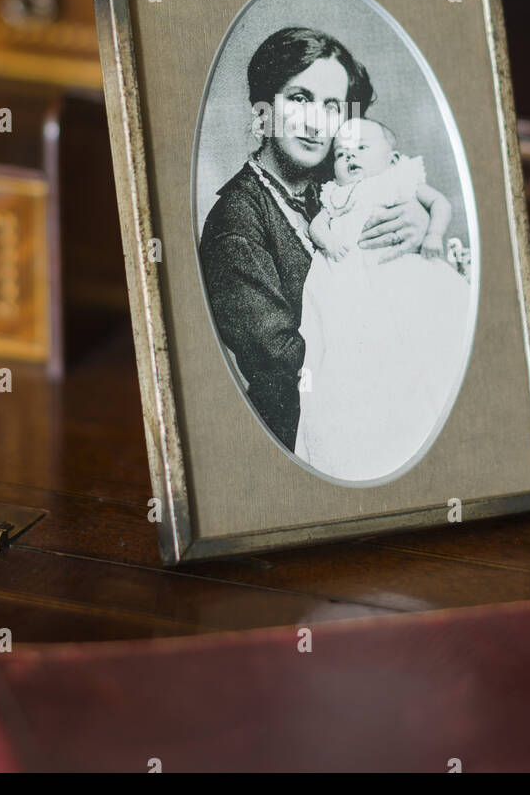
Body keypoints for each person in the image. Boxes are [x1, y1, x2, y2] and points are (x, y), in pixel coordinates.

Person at [198, 27, 429, 451]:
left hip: (373, 414)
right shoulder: (237, 222)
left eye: (332, 107)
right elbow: (281, 365)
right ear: (264, 109)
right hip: (297, 438)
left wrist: (417, 219)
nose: (315, 122)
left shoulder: (338, 186)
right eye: (299, 98)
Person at [295, 118, 472, 481]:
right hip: (350, 284)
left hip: (402, 274)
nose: (350, 158)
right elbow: (317, 224)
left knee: (426, 338)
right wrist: (327, 241)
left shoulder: (402, 180)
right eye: (342, 154)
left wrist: (434, 234)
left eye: (361, 149)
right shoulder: (336, 195)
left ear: (392, 159)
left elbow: (440, 204)